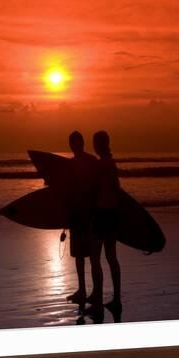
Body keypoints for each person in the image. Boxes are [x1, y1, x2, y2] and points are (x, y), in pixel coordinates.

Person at [85, 130, 122, 321]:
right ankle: (116, 299)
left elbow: (92, 190)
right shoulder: (112, 164)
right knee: (111, 258)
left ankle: (97, 302)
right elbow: (117, 189)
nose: (94, 145)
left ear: (99, 144)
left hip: (101, 214)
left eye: (95, 142)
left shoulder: (101, 165)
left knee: (95, 258)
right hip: (112, 214)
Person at [65, 131, 99, 305]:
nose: (75, 145)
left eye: (77, 142)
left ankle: (95, 292)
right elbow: (64, 189)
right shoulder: (69, 164)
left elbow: (99, 186)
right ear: (70, 145)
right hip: (76, 215)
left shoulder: (92, 162)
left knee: (93, 256)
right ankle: (82, 289)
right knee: (79, 255)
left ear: (82, 143)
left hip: (90, 214)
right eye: (73, 143)